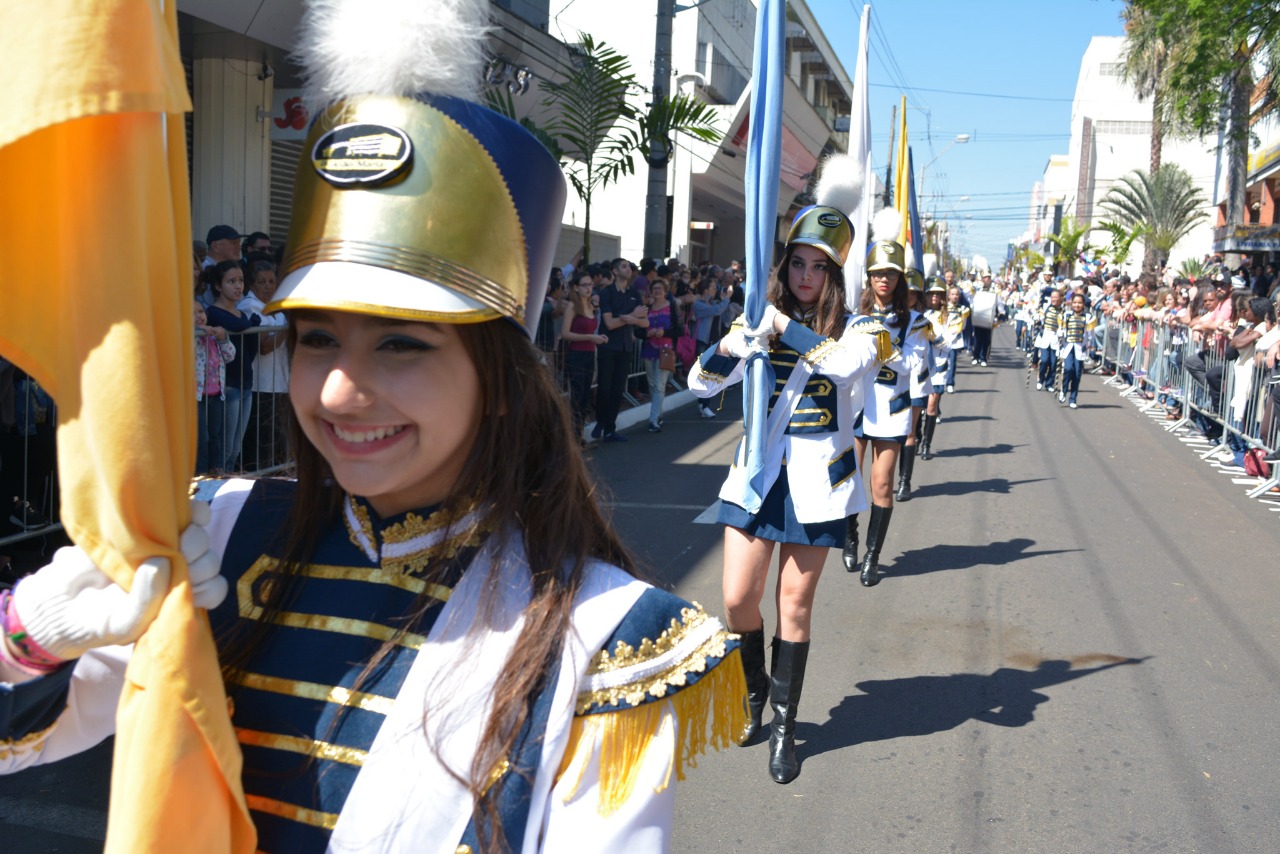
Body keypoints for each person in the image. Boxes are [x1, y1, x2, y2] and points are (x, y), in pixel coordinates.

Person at [0, 3, 745, 849]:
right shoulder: (213, 531)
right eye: (317, 338)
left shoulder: (600, 636)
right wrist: (29, 633)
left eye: (401, 344)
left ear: (499, 380)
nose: (342, 391)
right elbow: (24, 742)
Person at [688, 185, 890, 784]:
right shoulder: (760, 318)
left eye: (817, 266)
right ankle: (753, 696)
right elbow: (701, 384)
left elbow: (847, 366)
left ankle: (784, 728)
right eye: (797, 262)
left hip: (819, 486)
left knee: (792, 607)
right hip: (757, 476)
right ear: (784, 265)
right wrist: (735, 342)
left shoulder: (867, 327)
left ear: (834, 273)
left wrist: (784, 330)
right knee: (735, 598)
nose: (805, 275)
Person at [844, 208, 930, 587]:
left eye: (890, 274)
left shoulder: (914, 321)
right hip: (855, 406)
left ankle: (872, 557)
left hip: (891, 409)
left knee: (881, 483)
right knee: (849, 478)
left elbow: (912, 363)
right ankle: (848, 535)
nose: (884, 279)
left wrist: (882, 347)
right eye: (878, 273)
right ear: (870, 277)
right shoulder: (853, 315)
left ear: (900, 279)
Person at [203, 260, 261, 472]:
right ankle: (220, 486)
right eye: (231, 281)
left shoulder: (244, 316)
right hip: (228, 384)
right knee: (226, 446)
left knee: (236, 446)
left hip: (246, 382)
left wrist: (253, 325)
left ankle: (228, 482)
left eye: (241, 281)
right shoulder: (214, 313)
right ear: (218, 286)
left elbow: (251, 346)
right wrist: (253, 325)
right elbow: (239, 327)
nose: (238, 286)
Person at [238, 258, 289, 471]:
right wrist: (288, 326)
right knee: (260, 447)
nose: (268, 286)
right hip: (261, 386)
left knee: (278, 446)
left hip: (280, 384)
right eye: (262, 282)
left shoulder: (276, 307)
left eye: (271, 281)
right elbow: (264, 346)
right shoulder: (249, 306)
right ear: (252, 284)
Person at [594, 257, 647, 443]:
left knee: (618, 390)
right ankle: (601, 421)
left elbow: (645, 321)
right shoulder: (607, 292)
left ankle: (610, 428)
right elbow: (609, 323)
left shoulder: (634, 293)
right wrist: (632, 317)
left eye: (629, 267)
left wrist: (631, 319)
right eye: (624, 266)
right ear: (615, 271)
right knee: (605, 388)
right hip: (608, 345)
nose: (628, 269)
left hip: (626, 347)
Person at [895, 267, 932, 501]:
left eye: (913, 293)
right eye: (905, 291)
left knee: (909, 430)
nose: (908, 296)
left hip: (915, 379)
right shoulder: (889, 316)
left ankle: (904, 482)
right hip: (888, 384)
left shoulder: (922, 321)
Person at [560, 272, 608, 440]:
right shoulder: (573, 306)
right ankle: (573, 437)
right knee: (577, 396)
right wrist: (590, 337)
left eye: (590, 285)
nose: (589, 288)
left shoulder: (590, 306)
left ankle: (578, 434)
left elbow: (590, 331)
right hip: (576, 355)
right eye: (585, 285)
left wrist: (598, 338)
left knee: (585, 396)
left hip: (589, 354)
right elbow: (565, 333)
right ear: (576, 287)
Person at [193, 301, 235, 475]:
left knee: (215, 435)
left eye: (201, 312)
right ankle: (201, 472)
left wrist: (223, 338)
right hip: (199, 397)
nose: (199, 316)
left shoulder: (214, 338)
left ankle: (215, 468)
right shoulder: (192, 338)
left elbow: (230, 356)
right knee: (202, 437)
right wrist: (197, 334)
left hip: (217, 394)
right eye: (193, 313)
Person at [691, 277, 736, 418]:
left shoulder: (715, 303)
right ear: (705, 290)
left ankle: (703, 404)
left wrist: (724, 300)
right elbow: (716, 311)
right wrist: (726, 299)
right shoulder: (699, 304)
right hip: (702, 341)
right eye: (712, 287)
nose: (715, 289)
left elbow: (725, 312)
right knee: (706, 374)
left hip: (713, 342)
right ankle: (703, 405)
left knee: (711, 374)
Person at [919, 276, 951, 460]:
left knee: (931, 406)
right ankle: (916, 436)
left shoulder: (949, 317)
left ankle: (926, 445)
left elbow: (949, 343)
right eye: (931, 295)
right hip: (919, 367)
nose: (934, 299)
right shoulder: (918, 314)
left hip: (938, 367)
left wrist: (933, 337)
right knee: (917, 406)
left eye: (938, 296)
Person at [640, 279, 674, 432]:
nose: (657, 291)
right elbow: (638, 330)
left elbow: (679, 330)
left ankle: (653, 420)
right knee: (653, 385)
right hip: (649, 349)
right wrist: (647, 333)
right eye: (654, 288)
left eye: (660, 288)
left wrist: (664, 332)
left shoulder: (672, 308)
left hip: (665, 350)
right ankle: (658, 414)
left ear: (665, 291)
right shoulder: (646, 308)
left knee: (659, 385)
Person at [1057, 292, 1096, 409]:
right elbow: (1061, 330)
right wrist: (1060, 333)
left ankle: (1073, 398)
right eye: (1075, 302)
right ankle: (1063, 390)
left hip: (1080, 348)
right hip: (1068, 347)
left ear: (1084, 304)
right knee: (1068, 369)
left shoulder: (1088, 318)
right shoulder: (1066, 315)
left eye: (1079, 303)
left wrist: (1088, 344)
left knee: (1077, 373)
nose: (1077, 305)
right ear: (1071, 303)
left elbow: (1090, 335)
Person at [1035, 289, 1066, 392]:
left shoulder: (1063, 311)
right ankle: (1040, 380)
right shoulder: (1045, 309)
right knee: (1044, 360)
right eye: (1052, 297)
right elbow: (1040, 320)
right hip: (1045, 337)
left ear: (1060, 298)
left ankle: (1049, 383)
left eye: (1056, 297)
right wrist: (1037, 318)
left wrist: (1062, 331)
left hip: (1056, 339)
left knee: (1054, 363)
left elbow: (1065, 324)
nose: (1053, 299)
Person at [941, 285, 969, 394]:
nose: (955, 296)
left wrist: (957, 331)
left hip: (954, 340)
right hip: (943, 339)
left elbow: (964, 325)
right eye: (952, 294)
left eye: (957, 294)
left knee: (952, 361)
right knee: (940, 361)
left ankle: (950, 383)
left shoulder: (962, 309)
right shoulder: (944, 308)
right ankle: (939, 381)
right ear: (948, 295)